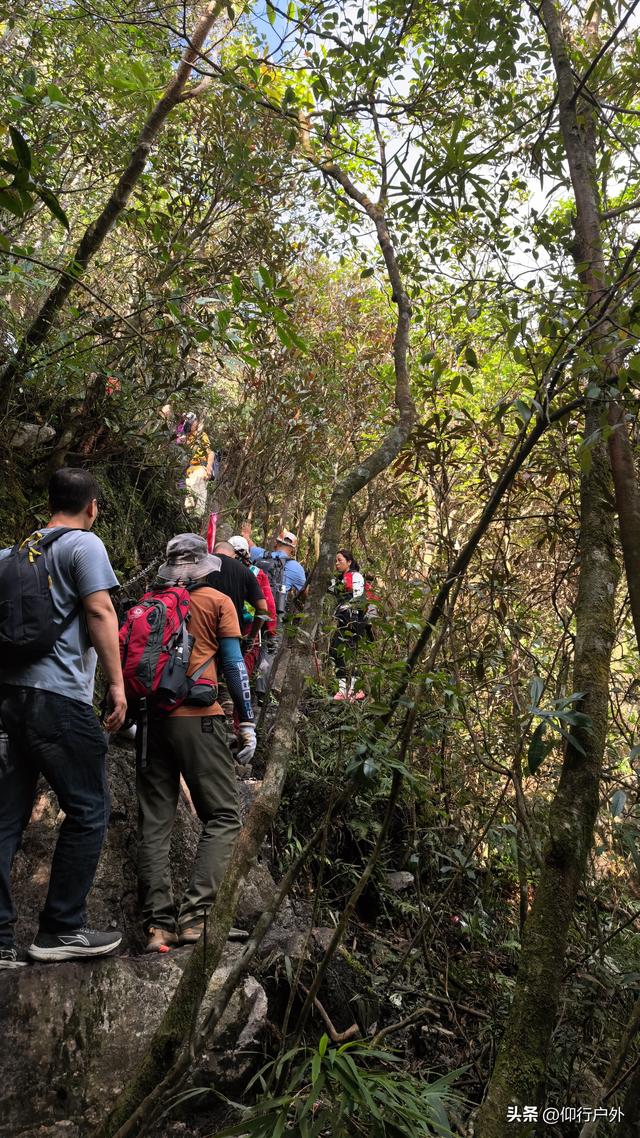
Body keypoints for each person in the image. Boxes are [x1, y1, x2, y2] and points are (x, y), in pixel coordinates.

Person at [0, 468, 127, 968]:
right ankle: (60, 927)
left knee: (5, 818)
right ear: (92, 506)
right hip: (59, 701)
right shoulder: (83, 546)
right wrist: (115, 686)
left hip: (8, 701)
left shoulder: (11, 554)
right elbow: (99, 612)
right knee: (91, 808)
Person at [136, 533, 256, 953]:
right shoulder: (217, 602)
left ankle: (157, 927)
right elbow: (234, 664)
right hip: (199, 719)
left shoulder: (149, 604)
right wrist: (248, 721)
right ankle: (195, 917)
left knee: (155, 822)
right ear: (204, 565)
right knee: (224, 815)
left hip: (152, 720)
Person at [245, 528, 306, 700]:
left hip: (253, 608)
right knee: (269, 649)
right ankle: (261, 690)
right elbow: (306, 594)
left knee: (248, 642)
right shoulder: (296, 568)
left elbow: (249, 545)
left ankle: (242, 680)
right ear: (293, 550)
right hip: (276, 613)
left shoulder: (260, 555)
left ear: (276, 543)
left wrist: (247, 535)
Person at [328, 549, 375, 702]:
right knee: (337, 651)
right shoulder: (340, 579)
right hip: (345, 620)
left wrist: (352, 617)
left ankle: (354, 690)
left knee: (347, 652)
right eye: (336, 560)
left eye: (339, 560)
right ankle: (345, 690)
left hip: (354, 621)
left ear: (349, 562)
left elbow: (358, 598)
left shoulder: (356, 576)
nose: (337, 563)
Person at [228, 535, 277, 679]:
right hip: (250, 627)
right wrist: (271, 631)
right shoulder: (257, 573)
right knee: (243, 668)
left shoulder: (221, 570)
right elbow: (268, 604)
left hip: (226, 625)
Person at [178, 412, 214, 517]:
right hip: (187, 470)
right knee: (189, 489)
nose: (192, 424)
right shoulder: (185, 436)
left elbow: (210, 453)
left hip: (199, 468)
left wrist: (208, 469)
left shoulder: (201, 436)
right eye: (190, 423)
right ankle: (189, 515)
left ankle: (197, 516)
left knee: (198, 485)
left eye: (193, 422)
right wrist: (182, 440)